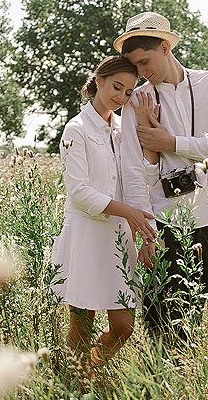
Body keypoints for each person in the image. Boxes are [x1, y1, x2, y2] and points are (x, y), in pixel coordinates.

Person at [114, 11, 208, 345]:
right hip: (162, 216)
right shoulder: (136, 101)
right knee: (159, 313)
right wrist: (146, 233)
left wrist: (171, 143)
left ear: (165, 47)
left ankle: (185, 384)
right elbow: (131, 170)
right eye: (135, 65)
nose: (141, 73)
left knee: (193, 308)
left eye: (145, 62)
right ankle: (158, 383)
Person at [50, 56, 156, 371]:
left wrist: (148, 123)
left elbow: (142, 173)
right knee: (82, 325)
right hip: (87, 236)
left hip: (118, 240)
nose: (121, 97)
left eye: (128, 92)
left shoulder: (123, 127)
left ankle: (90, 369)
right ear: (98, 80)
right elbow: (79, 192)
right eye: (116, 87)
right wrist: (128, 212)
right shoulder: (76, 129)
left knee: (124, 326)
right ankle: (77, 385)